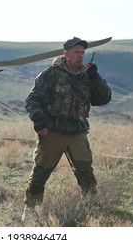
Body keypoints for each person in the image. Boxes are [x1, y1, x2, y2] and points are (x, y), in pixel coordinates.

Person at [22, 37, 112, 220]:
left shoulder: (88, 75)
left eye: (82, 52)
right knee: (40, 173)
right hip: (52, 131)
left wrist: (95, 78)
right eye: (76, 52)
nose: (80, 56)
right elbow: (33, 100)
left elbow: (103, 99)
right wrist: (38, 121)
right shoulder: (50, 74)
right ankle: (30, 210)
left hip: (77, 132)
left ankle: (92, 210)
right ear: (66, 54)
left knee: (85, 171)